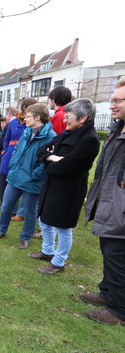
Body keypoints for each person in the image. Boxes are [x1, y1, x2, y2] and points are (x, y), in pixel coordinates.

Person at [26, 98, 100, 274]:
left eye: (69, 116)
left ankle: (59, 262)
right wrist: (52, 158)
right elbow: (42, 151)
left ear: (83, 118)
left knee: (63, 227)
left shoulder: (90, 140)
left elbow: (66, 167)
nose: (65, 120)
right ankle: (47, 251)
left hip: (69, 189)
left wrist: (51, 162)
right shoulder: (67, 133)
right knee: (44, 220)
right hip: (52, 184)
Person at [82, 79, 125, 324]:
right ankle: (107, 293)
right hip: (110, 201)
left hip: (120, 206)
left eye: (118, 101)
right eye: (112, 101)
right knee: (109, 253)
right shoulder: (117, 129)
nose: (112, 106)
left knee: (119, 258)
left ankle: (119, 310)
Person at [0, 103, 56, 249]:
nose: (24, 118)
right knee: (6, 205)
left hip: (32, 180)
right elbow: (17, 149)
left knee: (30, 211)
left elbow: (47, 161)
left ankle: (25, 237)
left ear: (38, 117)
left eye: (27, 116)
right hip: (16, 176)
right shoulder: (27, 131)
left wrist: (35, 174)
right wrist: (13, 164)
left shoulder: (51, 137)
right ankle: (1, 230)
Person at [0, 99, 36, 214]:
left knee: (21, 182)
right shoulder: (13, 122)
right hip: (10, 153)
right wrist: (5, 150)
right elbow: (6, 137)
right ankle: (8, 207)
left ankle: (21, 211)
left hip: (25, 155)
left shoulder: (33, 123)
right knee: (6, 179)